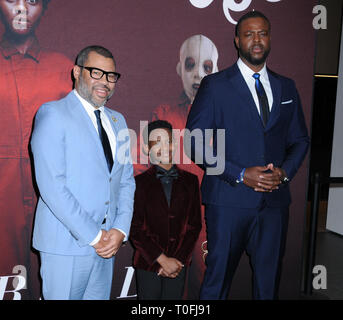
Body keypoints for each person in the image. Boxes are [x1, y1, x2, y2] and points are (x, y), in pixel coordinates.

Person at [185, 11, 310, 300]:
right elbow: (195, 141)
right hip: (228, 202)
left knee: (268, 285)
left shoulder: (286, 86)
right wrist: (240, 173)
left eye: (263, 33)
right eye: (249, 34)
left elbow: (300, 140)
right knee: (216, 284)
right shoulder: (215, 85)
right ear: (237, 40)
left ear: (269, 39)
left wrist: (285, 171)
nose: (257, 39)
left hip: (274, 204)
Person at [30, 45, 135, 300]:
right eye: (96, 73)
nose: (105, 82)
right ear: (77, 72)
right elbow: (52, 187)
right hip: (65, 245)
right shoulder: (52, 113)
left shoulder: (118, 120)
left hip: (107, 245)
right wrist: (94, 236)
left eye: (111, 76)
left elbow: (126, 182)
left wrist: (120, 230)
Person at [132, 35, 219, 298]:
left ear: (215, 69)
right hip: (162, 228)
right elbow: (140, 169)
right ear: (180, 68)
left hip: (204, 220)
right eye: (191, 65)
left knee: (204, 285)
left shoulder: (221, 115)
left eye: (206, 67)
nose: (197, 75)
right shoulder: (164, 112)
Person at [0, 0, 73, 298]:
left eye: (31, 1)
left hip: (52, 195)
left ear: (44, 7)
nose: (21, 9)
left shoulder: (65, 69)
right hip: (3, 199)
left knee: (54, 282)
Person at [130, 120, 202, 300]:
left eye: (168, 141)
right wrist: (161, 259)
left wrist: (177, 261)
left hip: (179, 264)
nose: (164, 147)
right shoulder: (137, 183)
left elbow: (194, 226)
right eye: (157, 142)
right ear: (147, 148)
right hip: (148, 263)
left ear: (175, 144)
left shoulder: (191, 181)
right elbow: (135, 228)